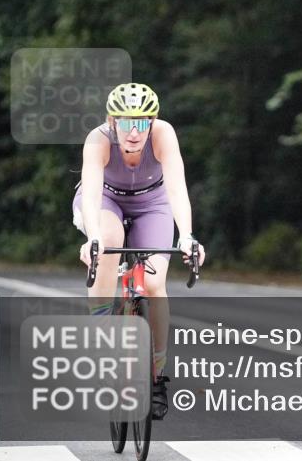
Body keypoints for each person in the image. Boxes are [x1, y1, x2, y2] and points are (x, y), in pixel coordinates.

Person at [75, 83, 206, 420]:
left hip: (153, 203)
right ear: (111, 120)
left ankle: (156, 376)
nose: (134, 132)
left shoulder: (164, 134)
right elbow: (90, 193)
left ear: (154, 120)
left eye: (143, 122)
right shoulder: (98, 140)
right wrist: (93, 237)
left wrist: (188, 235)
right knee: (108, 238)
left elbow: (176, 187)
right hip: (106, 200)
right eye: (125, 122)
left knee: (153, 284)